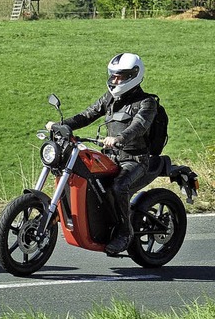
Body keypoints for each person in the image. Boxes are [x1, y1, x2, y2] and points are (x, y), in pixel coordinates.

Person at [46, 53, 157, 254]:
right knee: (90, 182)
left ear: (134, 75)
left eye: (119, 77)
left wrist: (119, 138)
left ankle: (125, 233)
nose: (114, 80)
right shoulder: (110, 98)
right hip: (111, 157)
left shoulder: (146, 102)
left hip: (135, 160)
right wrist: (61, 126)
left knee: (118, 186)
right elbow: (87, 115)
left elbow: (139, 127)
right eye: (113, 75)